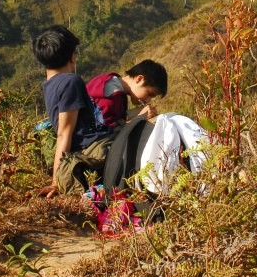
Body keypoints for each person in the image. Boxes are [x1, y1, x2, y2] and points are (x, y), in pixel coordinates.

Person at [32, 25, 113, 198]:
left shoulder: (50, 84)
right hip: (93, 148)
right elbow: (64, 133)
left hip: (93, 145)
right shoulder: (71, 81)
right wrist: (57, 180)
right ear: (72, 56)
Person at [87, 60, 168, 129]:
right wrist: (139, 117)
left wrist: (138, 113)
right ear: (139, 79)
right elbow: (106, 132)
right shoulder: (111, 98)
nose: (148, 100)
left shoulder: (110, 81)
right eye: (149, 94)